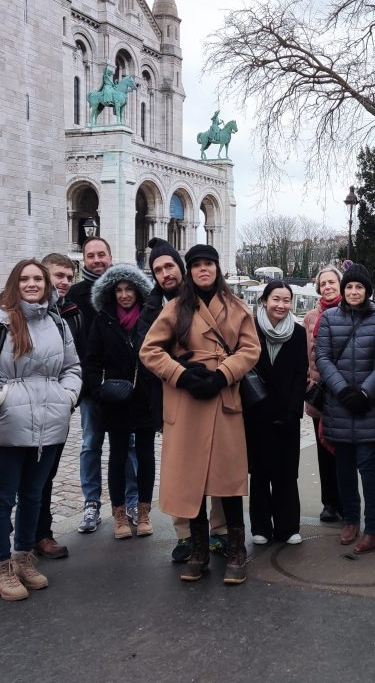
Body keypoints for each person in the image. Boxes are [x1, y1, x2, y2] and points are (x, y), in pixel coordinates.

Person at [139, 243, 261, 585]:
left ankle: (237, 550)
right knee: (191, 479)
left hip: (223, 399)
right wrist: (181, 374)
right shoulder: (177, 308)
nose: (203, 270)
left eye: (209, 263)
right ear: (189, 271)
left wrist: (224, 374)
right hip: (188, 400)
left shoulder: (236, 307)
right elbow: (149, 350)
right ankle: (198, 550)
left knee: (229, 480)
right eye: (196, 265)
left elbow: (251, 349)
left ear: (217, 268)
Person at [0, 259, 82, 601]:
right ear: (15, 283)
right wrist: (0, 397)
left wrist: (67, 396)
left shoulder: (58, 325)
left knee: (33, 495)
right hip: (7, 425)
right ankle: (0, 565)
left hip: (50, 423)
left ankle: (23, 558)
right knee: (2, 498)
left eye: (38, 279)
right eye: (26, 279)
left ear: (46, 285)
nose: (32, 284)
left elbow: (72, 366)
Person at [137, 238, 230, 562]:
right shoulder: (153, 307)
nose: (165, 273)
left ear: (182, 268)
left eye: (169, 266)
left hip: (214, 392)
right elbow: (147, 350)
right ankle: (186, 534)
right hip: (174, 394)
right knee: (181, 467)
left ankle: (219, 530)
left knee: (217, 464)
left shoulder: (212, 298)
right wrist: (181, 369)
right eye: (158, 270)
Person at [315, 263, 375, 554]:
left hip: (367, 405)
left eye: (359, 287)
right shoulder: (329, 318)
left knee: (367, 465)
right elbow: (322, 357)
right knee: (343, 466)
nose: (353, 291)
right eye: (349, 286)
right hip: (339, 402)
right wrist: (343, 390)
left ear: (367, 291)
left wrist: (364, 391)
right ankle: (350, 519)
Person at [67, 237, 138, 534]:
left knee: (129, 445)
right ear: (84, 260)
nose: (96, 260)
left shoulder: (124, 290)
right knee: (90, 444)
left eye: (101, 254)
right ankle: (91, 503)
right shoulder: (75, 295)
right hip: (90, 386)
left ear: (110, 256)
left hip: (125, 387)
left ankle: (132, 501)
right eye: (90, 255)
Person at [84, 263, 156, 539]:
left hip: (144, 398)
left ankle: (144, 510)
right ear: (112, 293)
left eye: (129, 289)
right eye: (119, 290)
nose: (124, 295)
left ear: (138, 292)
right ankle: (119, 515)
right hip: (115, 399)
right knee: (116, 457)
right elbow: (91, 360)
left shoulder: (149, 319)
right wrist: (99, 390)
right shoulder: (103, 320)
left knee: (146, 456)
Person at [32, 252, 85, 560]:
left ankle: (41, 534)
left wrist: (69, 397)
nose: (64, 282)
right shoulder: (14, 311)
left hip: (57, 409)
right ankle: (3, 546)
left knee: (46, 474)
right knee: (10, 481)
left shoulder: (72, 313)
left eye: (68, 276)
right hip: (18, 409)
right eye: (58, 276)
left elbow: (75, 362)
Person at [246, 281, 308, 544]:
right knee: (259, 471)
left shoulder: (297, 332)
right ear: (264, 301)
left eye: (286, 300)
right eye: (276, 299)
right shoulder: (250, 329)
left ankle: (288, 526)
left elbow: (299, 373)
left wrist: (294, 411)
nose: (281, 305)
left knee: (286, 472)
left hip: (287, 412)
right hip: (256, 410)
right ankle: (261, 527)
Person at [301, 266, 343, 523]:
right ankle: (329, 503)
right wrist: (308, 382)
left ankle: (346, 502)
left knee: (345, 452)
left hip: (342, 394)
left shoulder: (349, 311)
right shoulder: (309, 317)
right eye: (323, 283)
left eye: (332, 282)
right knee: (323, 450)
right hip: (318, 393)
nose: (327, 287)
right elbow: (304, 354)